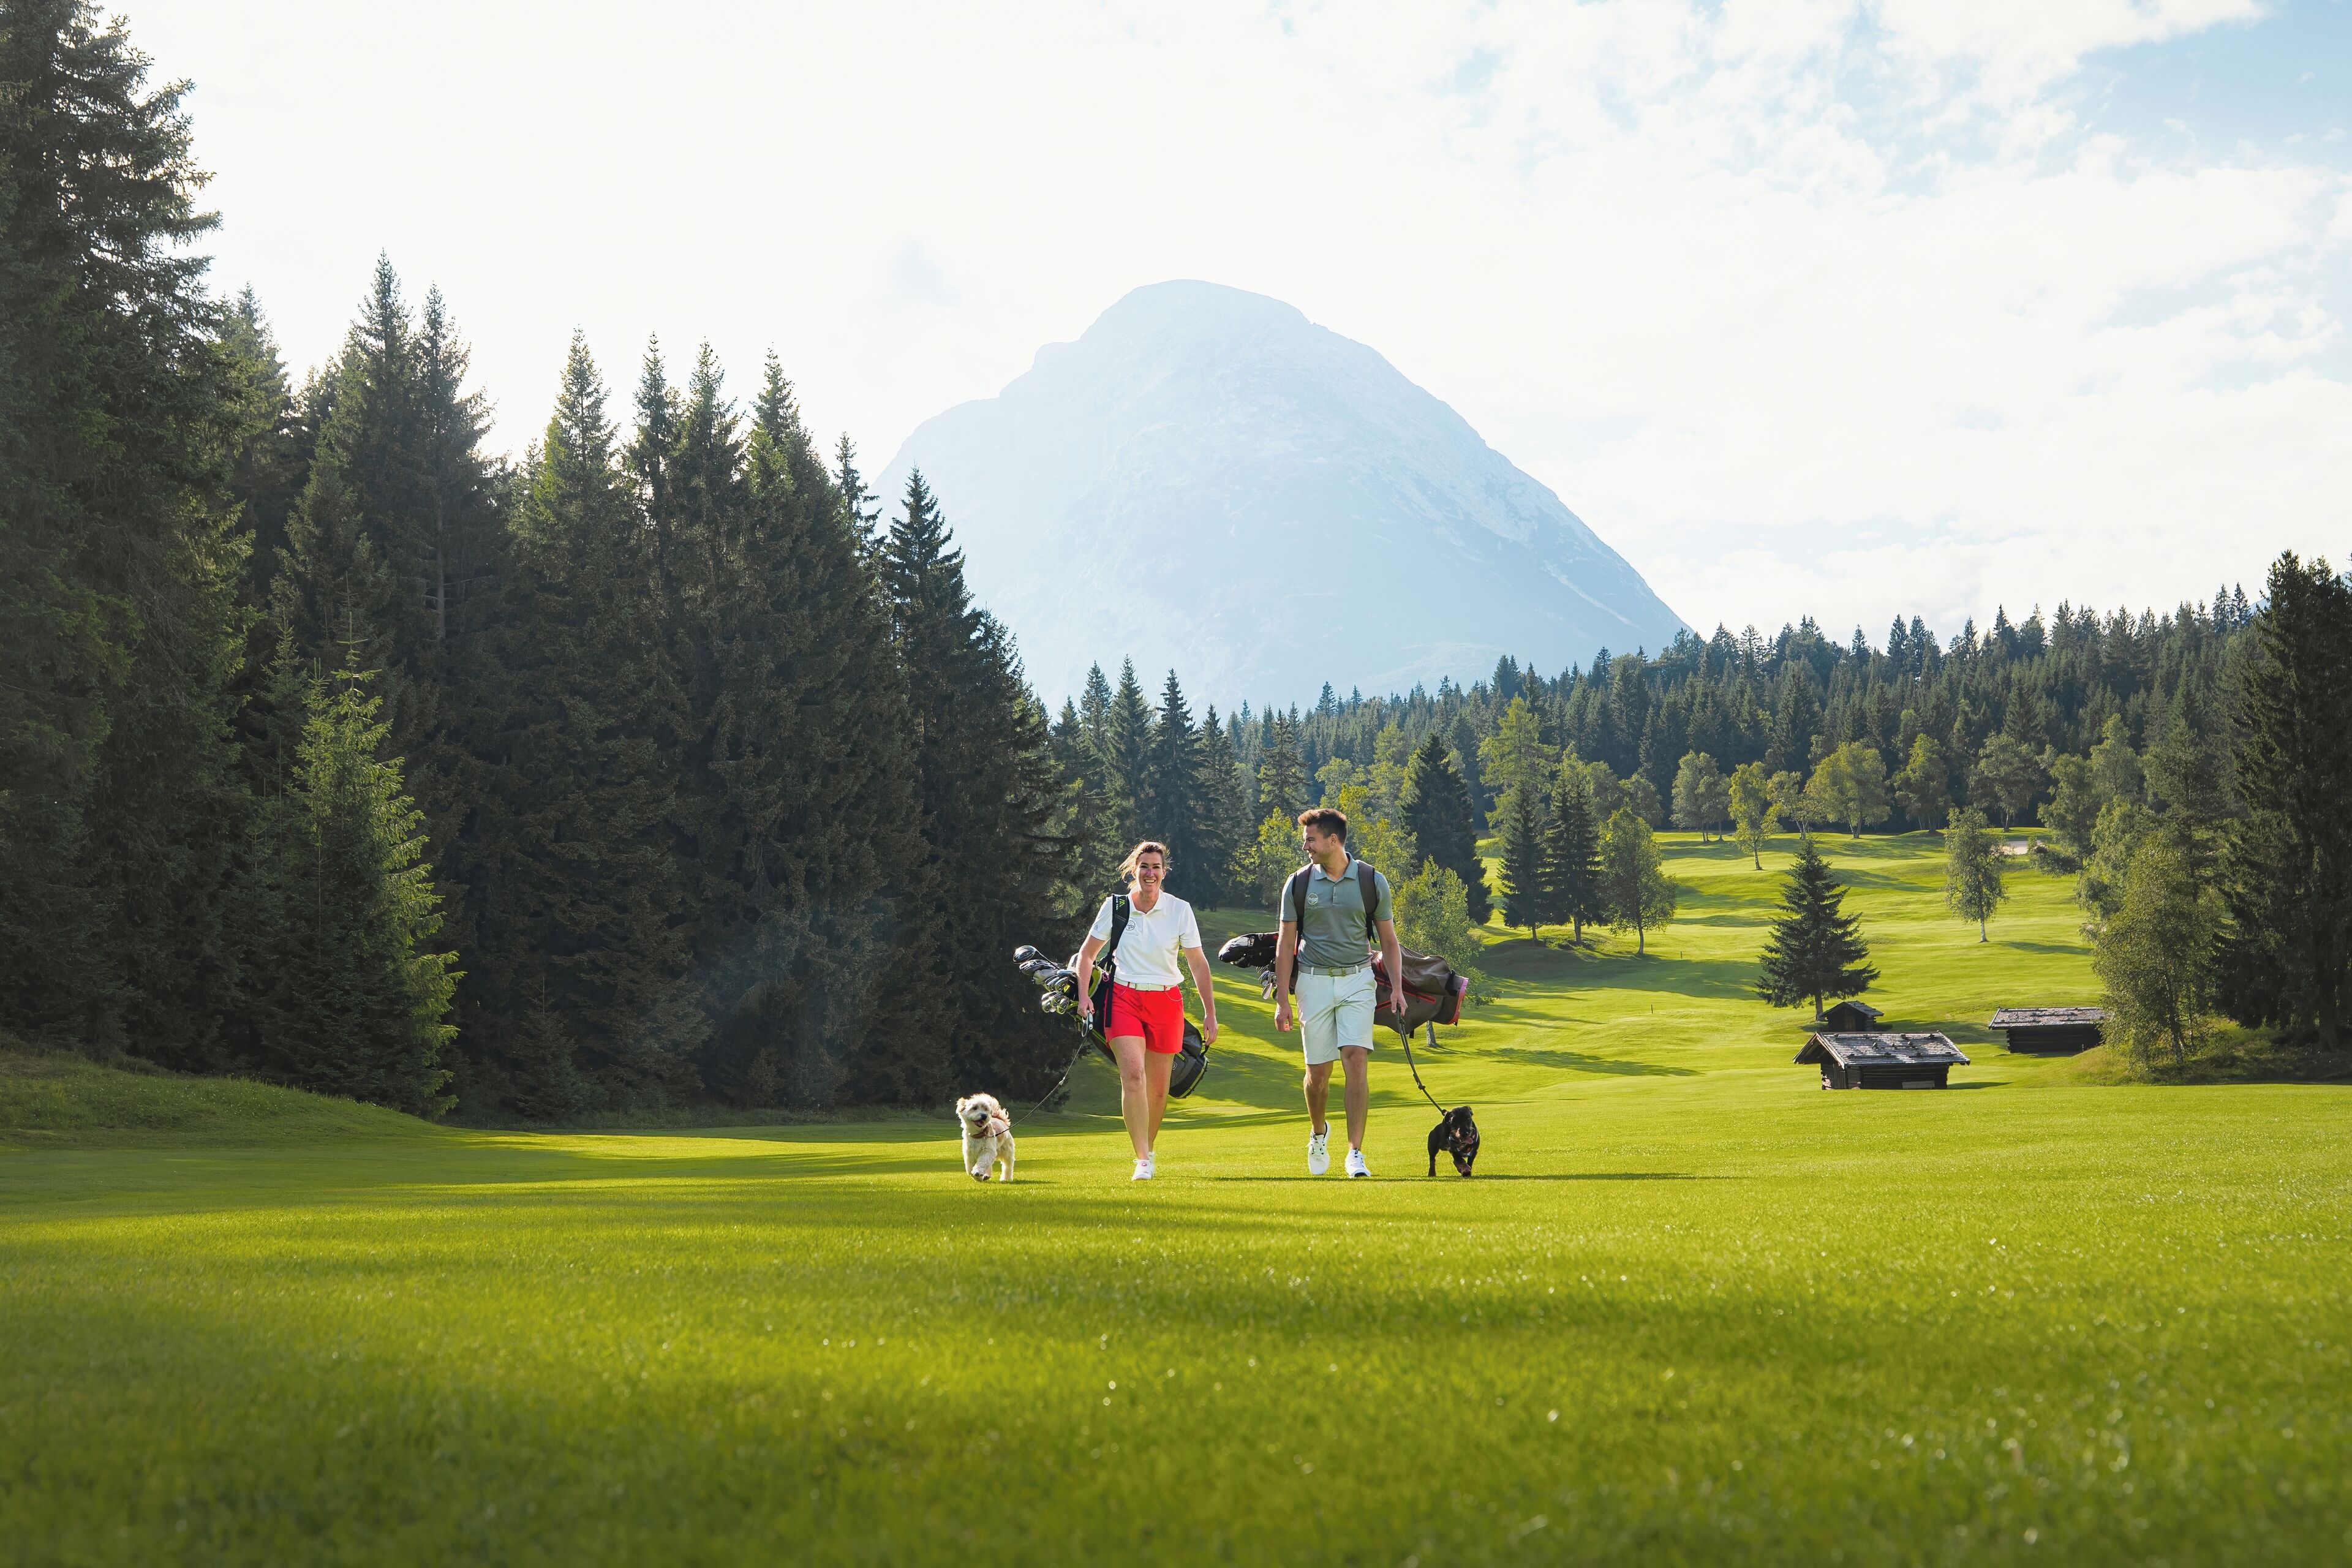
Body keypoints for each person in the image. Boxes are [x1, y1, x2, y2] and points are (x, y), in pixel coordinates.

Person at [1074, 841, 1218, 1181]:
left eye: (1156, 867)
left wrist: (1210, 1013)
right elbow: (1086, 956)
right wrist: (1084, 997)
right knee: (1133, 1076)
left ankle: (1148, 1149)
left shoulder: (1180, 910)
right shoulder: (1116, 907)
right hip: (1123, 998)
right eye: (1144, 866)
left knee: (1157, 1088)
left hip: (1166, 1002)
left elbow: (1197, 963)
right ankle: (1141, 1159)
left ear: (1164, 872)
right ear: (1133, 870)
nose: (1150, 873)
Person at [1273, 807, 1404, 1177]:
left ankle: (1355, 1152)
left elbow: (1390, 942)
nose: (1306, 847)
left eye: (1310, 840)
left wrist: (1396, 988)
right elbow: (1285, 945)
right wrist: (1283, 999)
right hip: (1312, 982)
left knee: (1356, 1060)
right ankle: (1318, 1133)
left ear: (1333, 840)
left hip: (1357, 980)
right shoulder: (1297, 884)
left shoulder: (1370, 881)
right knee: (1318, 1074)